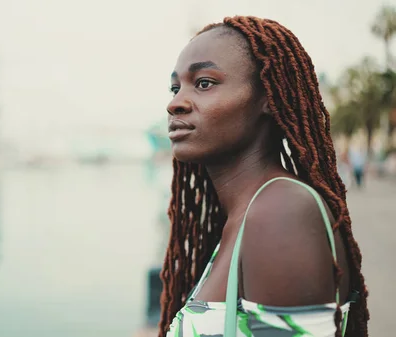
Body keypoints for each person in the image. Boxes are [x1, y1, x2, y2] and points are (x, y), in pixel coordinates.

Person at [156, 16, 368, 337]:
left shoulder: (281, 212)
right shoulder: (247, 213)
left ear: (269, 96)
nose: (175, 104)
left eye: (204, 83)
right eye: (176, 87)